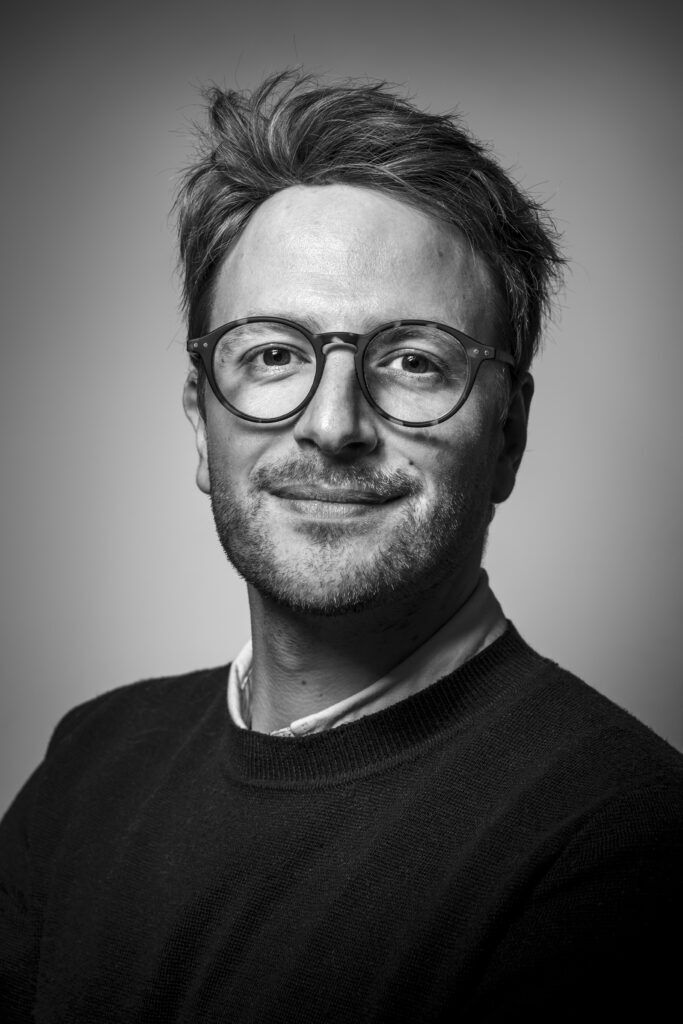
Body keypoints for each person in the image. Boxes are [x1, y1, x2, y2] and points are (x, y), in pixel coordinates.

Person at [1, 71, 681, 1023]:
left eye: (412, 361)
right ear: (201, 422)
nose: (331, 425)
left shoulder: (620, 841)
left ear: (509, 435)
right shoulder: (91, 763)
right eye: (273, 353)